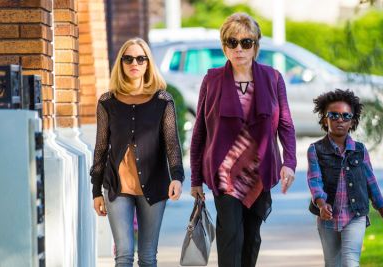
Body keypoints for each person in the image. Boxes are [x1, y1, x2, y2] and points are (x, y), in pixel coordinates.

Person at [189, 12, 297, 267]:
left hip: (260, 172)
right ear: (224, 46)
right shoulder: (212, 80)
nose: (239, 49)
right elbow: (199, 132)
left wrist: (289, 162)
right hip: (224, 173)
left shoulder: (273, 78)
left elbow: (286, 125)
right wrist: (195, 180)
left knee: (252, 239)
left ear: (255, 46)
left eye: (246, 42)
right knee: (230, 237)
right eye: (232, 42)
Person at [89, 38, 184, 267]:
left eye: (141, 58)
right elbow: (101, 148)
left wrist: (177, 177)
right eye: (128, 58)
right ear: (121, 63)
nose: (135, 63)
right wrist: (96, 191)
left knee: (148, 256)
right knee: (123, 253)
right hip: (117, 187)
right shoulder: (107, 102)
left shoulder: (163, 100)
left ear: (148, 63)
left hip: (153, 183)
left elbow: (172, 143)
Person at [307, 89, 383, 267]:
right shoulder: (315, 150)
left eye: (345, 116)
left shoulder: (360, 150)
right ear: (325, 119)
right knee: (333, 264)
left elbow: (372, 186)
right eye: (333, 115)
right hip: (327, 218)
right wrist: (321, 203)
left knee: (350, 262)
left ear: (353, 121)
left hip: (355, 215)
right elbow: (314, 180)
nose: (339, 120)